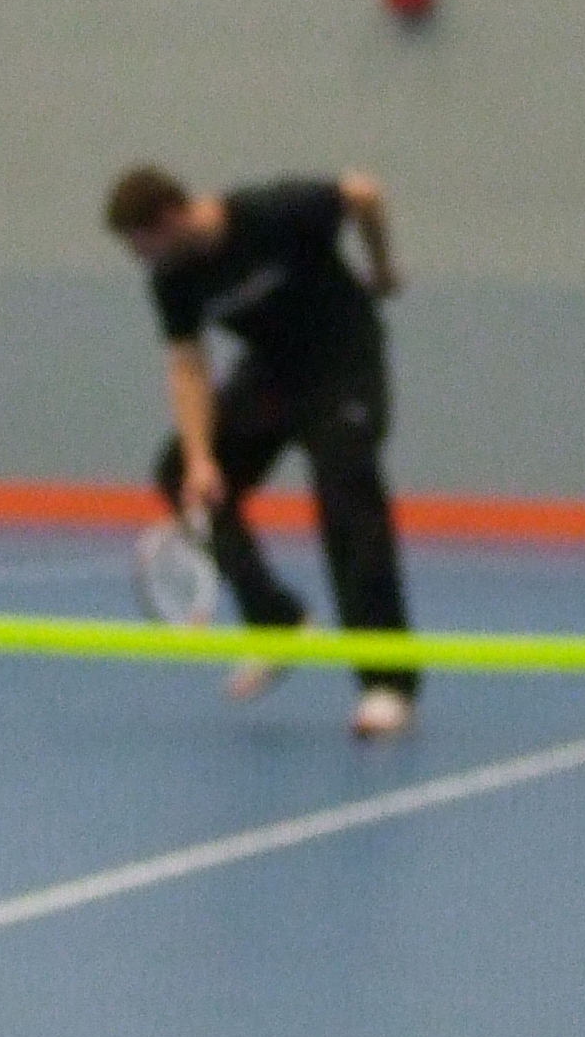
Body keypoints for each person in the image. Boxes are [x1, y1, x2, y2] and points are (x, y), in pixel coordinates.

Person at [102, 163, 420, 738]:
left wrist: (382, 267)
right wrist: (201, 458)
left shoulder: (275, 211)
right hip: (271, 377)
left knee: (348, 494)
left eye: (141, 245)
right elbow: (187, 365)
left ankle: (387, 683)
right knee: (179, 473)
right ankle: (277, 621)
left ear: (171, 218)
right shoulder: (173, 279)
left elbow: (366, 193)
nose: (140, 260)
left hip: (342, 364)